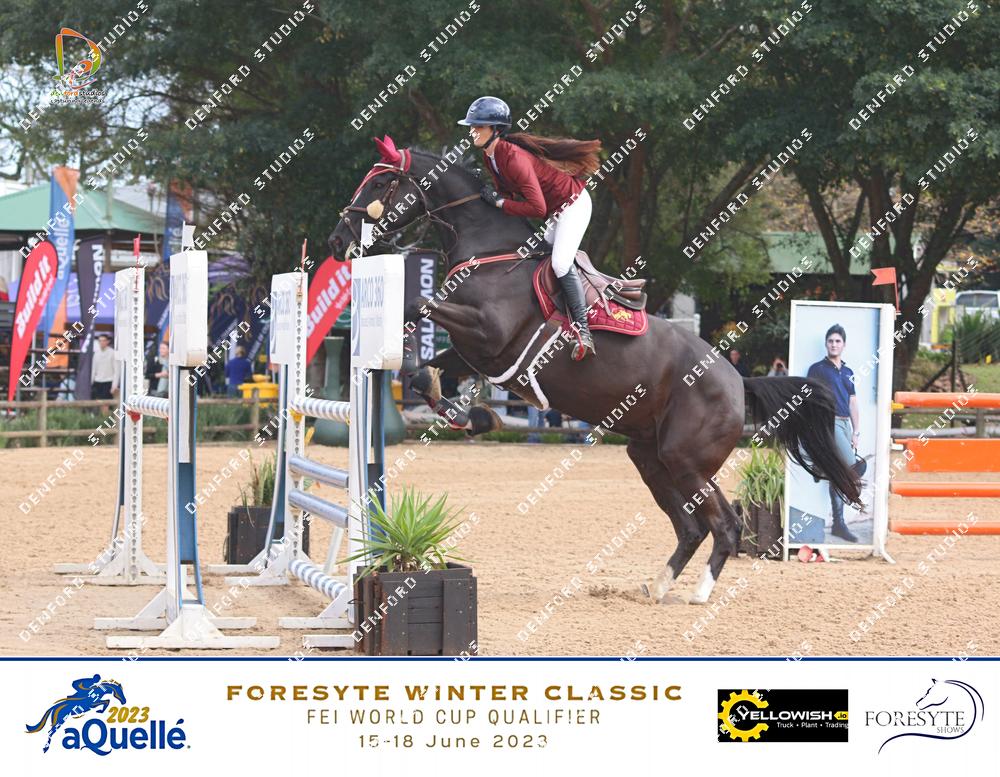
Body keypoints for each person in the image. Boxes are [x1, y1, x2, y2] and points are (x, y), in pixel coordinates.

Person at [458, 95, 602, 362]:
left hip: (573, 205)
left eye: (478, 126)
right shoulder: (490, 157)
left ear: (496, 130)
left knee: (560, 263)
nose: (472, 131)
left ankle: (584, 332)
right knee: (535, 258)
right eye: (472, 126)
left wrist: (500, 203)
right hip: (556, 210)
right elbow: (508, 196)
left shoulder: (513, 157)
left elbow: (536, 208)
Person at [806, 324, 860, 543]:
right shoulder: (817, 369)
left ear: (844, 345)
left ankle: (838, 523)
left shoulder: (848, 372)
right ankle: (839, 522)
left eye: (838, 341)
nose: (834, 344)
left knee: (838, 473)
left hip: (846, 424)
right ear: (826, 344)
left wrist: (856, 432)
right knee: (850, 466)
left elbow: (853, 402)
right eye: (830, 341)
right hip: (830, 422)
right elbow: (809, 399)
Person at [90, 334, 116, 399]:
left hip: (108, 381)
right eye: (100, 341)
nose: (102, 342)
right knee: (96, 401)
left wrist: (114, 385)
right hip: (97, 381)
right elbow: (93, 370)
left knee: (106, 402)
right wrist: (91, 382)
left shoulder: (112, 353)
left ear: (107, 341)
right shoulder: (96, 354)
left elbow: (116, 371)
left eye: (104, 340)